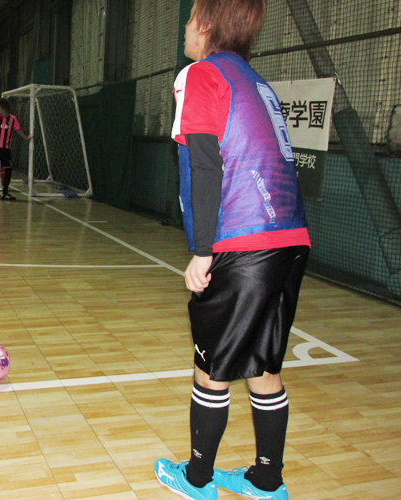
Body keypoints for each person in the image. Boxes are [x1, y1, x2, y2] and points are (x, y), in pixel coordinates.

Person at [154, 1, 310, 500]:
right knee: (263, 365)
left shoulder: (202, 74)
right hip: (290, 240)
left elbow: (206, 164)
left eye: (190, 17)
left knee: (211, 365)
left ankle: (197, 479)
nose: (185, 27)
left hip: (241, 245)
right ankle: (267, 480)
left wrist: (204, 250)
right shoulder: (257, 83)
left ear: (205, 25)